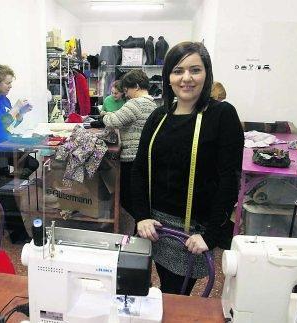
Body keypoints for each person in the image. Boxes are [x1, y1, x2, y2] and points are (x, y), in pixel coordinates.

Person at [130, 42, 244, 295]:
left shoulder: (222, 115)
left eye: (195, 70)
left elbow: (229, 179)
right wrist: (141, 216)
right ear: (168, 77)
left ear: (207, 74)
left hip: (192, 231)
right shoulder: (158, 117)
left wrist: (212, 235)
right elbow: (139, 169)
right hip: (152, 226)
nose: (186, 78)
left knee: (175, 295)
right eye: (178, 70)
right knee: (139, 289)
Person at [0, 64, 37, 244]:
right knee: (7, 192)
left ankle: (11, 181)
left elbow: (9, 127)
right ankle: (18, 236)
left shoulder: (4, 100)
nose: (10, 86)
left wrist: (20, 115)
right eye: (7, 83)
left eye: (11, 83)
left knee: (32, 163)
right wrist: (16, 108)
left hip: (5, 146)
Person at [102, 69, 157, 216]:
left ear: (137, 86)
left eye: (127, 90)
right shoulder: (153, 104)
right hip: (144, 156)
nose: (126, 94)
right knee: (139, 196)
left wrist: (104, 114)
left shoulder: (135, 104)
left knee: (126, 198)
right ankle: (141, 224)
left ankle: (142, 224)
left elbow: (112, 121)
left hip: (132, 157)